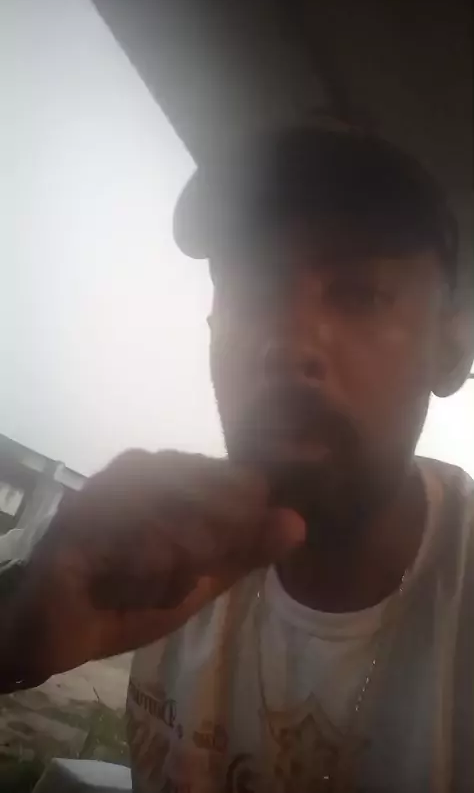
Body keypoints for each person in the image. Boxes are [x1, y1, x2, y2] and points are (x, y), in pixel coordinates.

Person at [0, 126, 473, 792]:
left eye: (358, 293)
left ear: (452, 350)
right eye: (251, 291)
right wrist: (16, 641)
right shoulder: (148, 555)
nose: (287, 343)